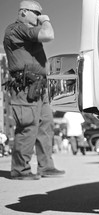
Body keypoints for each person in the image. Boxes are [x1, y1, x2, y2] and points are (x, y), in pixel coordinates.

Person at [3, 1, 65, 180]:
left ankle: (46, 167)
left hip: (39, 86)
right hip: (25, 86)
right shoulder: (17, 29)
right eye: (36, 13)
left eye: (41, 14)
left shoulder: (27, 33)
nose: (39, 17)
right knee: (27, 126)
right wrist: (46, 20)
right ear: (23, 12)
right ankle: (20, 170)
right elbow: (48, 34)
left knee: (46, 125)